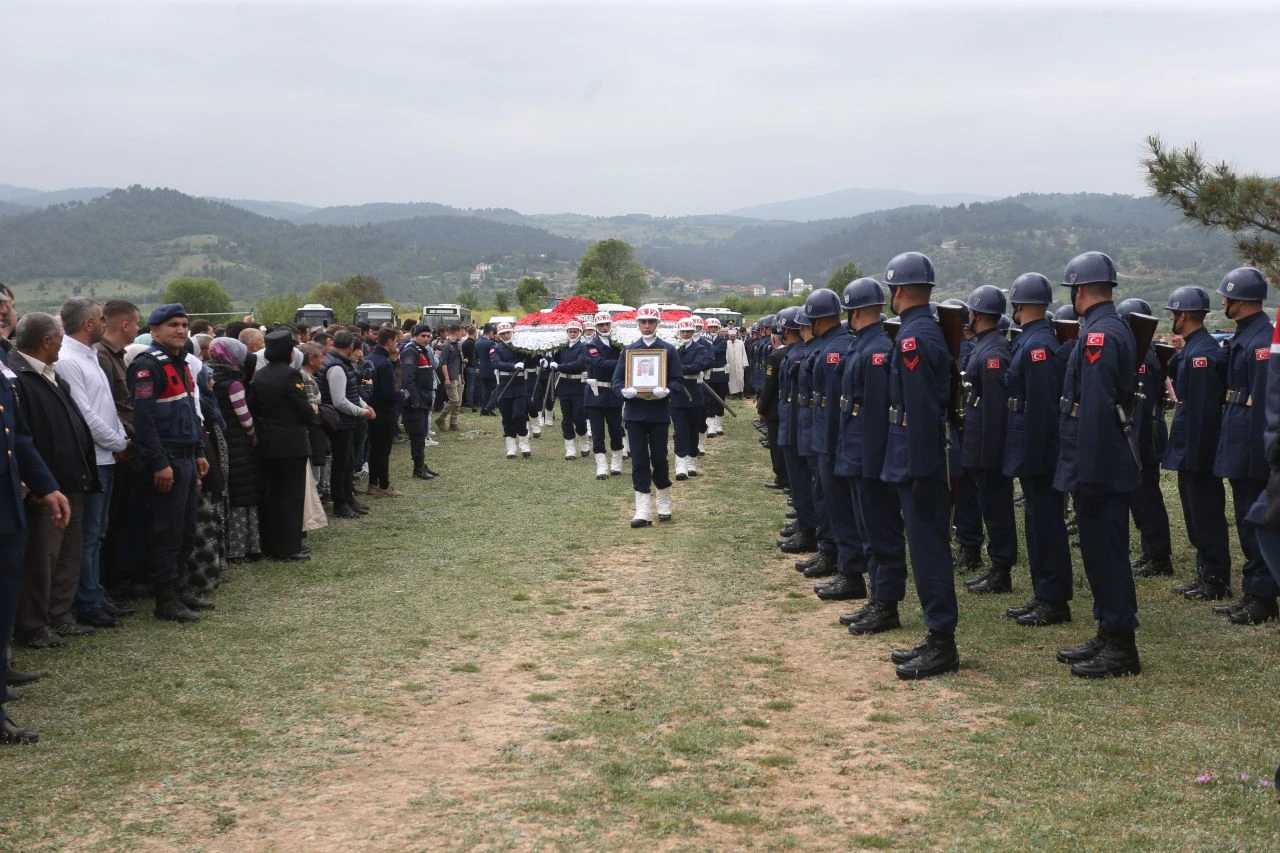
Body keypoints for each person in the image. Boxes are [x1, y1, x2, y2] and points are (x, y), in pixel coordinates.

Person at [1053, 251, 1142, 678]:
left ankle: (1122, 647)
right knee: (1099, 553)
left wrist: (1085, 473)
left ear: (1079, 289)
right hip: (1099, 461)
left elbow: (1095, 409)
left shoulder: (1099, 336)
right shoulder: (1104, 328)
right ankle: (1108, 632)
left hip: (1099, 465)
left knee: (1107, 555)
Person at [0, 310, 71, 744]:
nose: (4, 313)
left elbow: (18, 437)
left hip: (7, 507)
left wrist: (46, 486)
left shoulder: (4, 364)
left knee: (4, 605)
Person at [8, 312, 99, 647]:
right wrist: (37, 483)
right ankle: (34, 624)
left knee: (67, 554)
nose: (63, 343)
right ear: (47, 341)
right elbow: (22, 437)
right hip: (47, 485)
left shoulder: (52, 374)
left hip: (70, 480)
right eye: (60, 337)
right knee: (41, 558)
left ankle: (61, 615)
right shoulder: (18, 377)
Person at [125, 304, 209, 622]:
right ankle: (165, 599)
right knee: (167, 532)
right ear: (154, 330)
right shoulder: (148, 366)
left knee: (186, 530)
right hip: (167, 462)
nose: (180, 329)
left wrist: (200, 451)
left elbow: (190, 412)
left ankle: (180, 587)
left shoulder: (181, 364)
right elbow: (144, 421)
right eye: (172, 324)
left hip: (187, 457)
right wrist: (159, 463)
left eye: (184, 324)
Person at [54, 298, 130, 629]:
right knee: (88, 536)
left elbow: (107, 407)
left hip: (107, 456)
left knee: (98, 533)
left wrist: (118, 441)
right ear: (87, 324)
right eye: (101, 319)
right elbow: (85, 415)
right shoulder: (69, 360)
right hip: (94, 459)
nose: (105, 323)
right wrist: (118, 443)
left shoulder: (90, 356)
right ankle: (87, 602)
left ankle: (97, 594)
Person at [835, 278, 905, 634]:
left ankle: (887, 604)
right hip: (857, 449)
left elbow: (877, 410)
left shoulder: (877, 349)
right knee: (867, 530)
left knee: (881, 531)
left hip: (869, 454)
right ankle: (878, 598)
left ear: (858, 310)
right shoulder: (863, 344)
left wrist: (876, 461)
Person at [1210, 267, 1277, 624]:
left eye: (1227, 296)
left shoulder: (1261, 342)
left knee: (1256, 522)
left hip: (1251, 448)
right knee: (1245, 520)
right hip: (1238, 440)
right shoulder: (1245, 337)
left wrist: (1259, 454)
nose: (1222, 301)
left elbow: (1265, 403)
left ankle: (1263, 597)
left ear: (1240, 299)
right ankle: (1253, 590)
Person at [1161, 287, 1230, 598]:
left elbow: (1202, 410)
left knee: (1206, 514)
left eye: (1173, 314)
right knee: (1195, 513)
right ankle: (1206, 572)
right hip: (1190, 446)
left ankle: (1215, 579)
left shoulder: (1202, 354)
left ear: (1183, 315)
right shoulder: (1192, 349)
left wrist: (1198, 456)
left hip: (1198, 448)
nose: (1172, 319)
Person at [804, 288, 869, 603]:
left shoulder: (836, 349)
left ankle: (851, 571)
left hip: (831, 439)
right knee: (831, 503)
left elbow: (834, 404)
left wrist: (829, 445)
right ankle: (841, 561)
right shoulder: (833, 344)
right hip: (825, 437)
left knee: (841, 509)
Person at [958, 286, 1018, 596]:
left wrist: (994, 454)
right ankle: (996, 566)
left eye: (970, 311)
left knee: (997, 508)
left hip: (987, 445)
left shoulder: (993, 352)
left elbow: (996, 408)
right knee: (988, 505)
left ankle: (1001, 569)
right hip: (977, 440)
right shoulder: (984, 345)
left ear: (978, 314)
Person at [1115, 298, 1173, 579]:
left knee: (1147, 497)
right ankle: (1152, 552)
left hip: (1144, 437)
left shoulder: (1143, 360)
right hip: (1142, 435)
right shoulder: (1143, 355)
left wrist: (1131, 446)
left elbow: (1141, 408)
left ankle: (1159, 556)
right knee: (1141, 498)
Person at [612, 304, 684, 526]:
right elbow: (617, 381)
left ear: (657, 324)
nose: (646, 325)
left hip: (658, 414)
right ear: (638, 324)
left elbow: (678, 380)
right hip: (635, 414)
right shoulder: (629, 350)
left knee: (659, 459)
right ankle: (643, 510)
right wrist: (624, 392)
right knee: (639, 461)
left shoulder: (669, 350)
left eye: (650, 322)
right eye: (643, 321)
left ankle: (664, 501)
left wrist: (668, 390)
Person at [252, 329, 314, 559]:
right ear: (289, 353)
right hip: (291, 443)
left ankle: (273, 544)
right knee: (292, 496)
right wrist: (313, 413)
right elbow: (303, 408)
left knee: (274, 495)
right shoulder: (290, 376)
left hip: (268, 441)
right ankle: (290, 546)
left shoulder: (260, 375)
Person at [208, 338, 260, 566]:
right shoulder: (234, 383)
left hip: (220, 437)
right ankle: (242, 545)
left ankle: (227, 545)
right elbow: (244, 416)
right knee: (243, 491)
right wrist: (253, 433)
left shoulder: (210, 377)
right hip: (238, 440)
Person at [319, 330, 375, 519]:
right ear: (350, 346)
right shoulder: (336, 367)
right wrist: (362, 412)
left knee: (349, 461)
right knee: (341, 464)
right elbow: (340, 401)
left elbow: (352, 392)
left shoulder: (343, 364)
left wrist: (365, 405)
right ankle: (340, 503)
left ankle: (349, 499)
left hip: (347, 421)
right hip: (339, 422)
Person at [583, 312, 625, 478]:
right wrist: (623, 360)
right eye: (601, 325)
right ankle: (601, 466)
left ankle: (616, 462)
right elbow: (599, 364)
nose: (605, 327)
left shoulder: (619, 345)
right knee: (598, 432)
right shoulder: (591, 345)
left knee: (616, 429)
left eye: (607, 324)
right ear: (596, 327)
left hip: (614, 393)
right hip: (596, 394)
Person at [671, 317, 712, 481]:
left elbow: (700, 365)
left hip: (694, 392)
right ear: (679, 332)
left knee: (693, 429)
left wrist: (678, 368)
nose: (686, 334)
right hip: (677, 393)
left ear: (694, 332)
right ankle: (680, 464)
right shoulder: (673, 348)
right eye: (683, 331)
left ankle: (691, 459)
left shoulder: (700, 348)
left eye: (689, 331)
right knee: (680, 430)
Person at [365, 327, 403, 497]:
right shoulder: (385, 364)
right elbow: (389, 393)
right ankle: (384, 484)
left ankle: (372, 483)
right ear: (389, 342)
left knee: (374, 449)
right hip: (384, 412)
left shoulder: (369, 358)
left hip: (370, 409)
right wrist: (403, 394)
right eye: (396, 341)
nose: (397, 344)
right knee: (383, 450)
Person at [399, 325, 439, 480]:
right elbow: (408, 379)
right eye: (423, 335)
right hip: (415, 401)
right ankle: (418, 468)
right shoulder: (410, 350)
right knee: (417, 435)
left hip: (424, 396)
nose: (426, 338)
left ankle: (421, 464)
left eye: (429, 336)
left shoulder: (423, 350)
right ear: (415, 335)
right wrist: (414, 400)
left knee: (422, 434)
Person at [548, 319, 591, 461]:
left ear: (580, 332)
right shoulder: (561, 347)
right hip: (565, 385)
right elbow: (553, 361)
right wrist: (547, 360)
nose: (572, 334)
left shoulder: (584, 347)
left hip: (578, 385)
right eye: (570, 331)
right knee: (566, 419)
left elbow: (579, 364)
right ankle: (570, 448)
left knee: (579, 417)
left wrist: (559, 366)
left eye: (575, 331)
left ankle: (584, 441)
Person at [755, 315, 789, 491]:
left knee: (777, 445)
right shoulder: (793, 352)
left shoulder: (775, 356)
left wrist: (762, 408)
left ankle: (781, 477)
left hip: (775, 407)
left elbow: (769, 387)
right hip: (790, 406)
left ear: (773, 339)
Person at [491, 323, 531, 459]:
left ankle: (524, 441)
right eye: (503, 334)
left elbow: (531, 361)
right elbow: (496, 363)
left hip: (519, 385)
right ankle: (511, 447)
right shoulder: (496, 348)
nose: (506, 335)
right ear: (499, 335)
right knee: (507, 418)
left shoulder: (521, 346)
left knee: (519, 415)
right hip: (504, 385)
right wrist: (513, 366)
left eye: (508, 333)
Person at [435, 324, 464, 433]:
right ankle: (441, 418)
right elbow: (444, 363)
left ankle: (453, 423)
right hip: (451, 376)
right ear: (457, 332)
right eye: (461, 332)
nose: (462, 335)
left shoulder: (457, 344)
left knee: (458, 402)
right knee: (454, 400)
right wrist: (446, 378)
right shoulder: (447, 345)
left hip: (460, 375)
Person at [704, 317, 728, 436]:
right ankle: (711, 426)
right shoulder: (705, 341)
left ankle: (719, 424)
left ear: (718, 329)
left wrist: (706, 346)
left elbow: (714, 351)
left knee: (720, 399)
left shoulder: (723, 341)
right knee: (709, 400)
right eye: (711, 327)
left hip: (720, 375)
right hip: (708, 375)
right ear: (707, 328)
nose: (713, 329)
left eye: (715, 327)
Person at [476, 323, 497, 415]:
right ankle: (489, 407)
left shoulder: (477, 342)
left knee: (485, 391)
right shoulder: (491, 343)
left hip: (482, 369)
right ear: (491, 332)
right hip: (491, 370)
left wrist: (477, 367)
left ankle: (484, 409)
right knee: (497, 389)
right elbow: (494, 356)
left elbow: (475, 357)